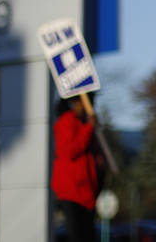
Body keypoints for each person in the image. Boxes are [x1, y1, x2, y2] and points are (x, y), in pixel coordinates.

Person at [51, 94, 102, 242]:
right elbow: (69, 151)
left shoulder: (80, 122)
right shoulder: (67, 122)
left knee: (86, 234)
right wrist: (88, 129)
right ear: (75, 103)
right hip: (73, 189)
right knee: (78, 234)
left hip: (84, 190)